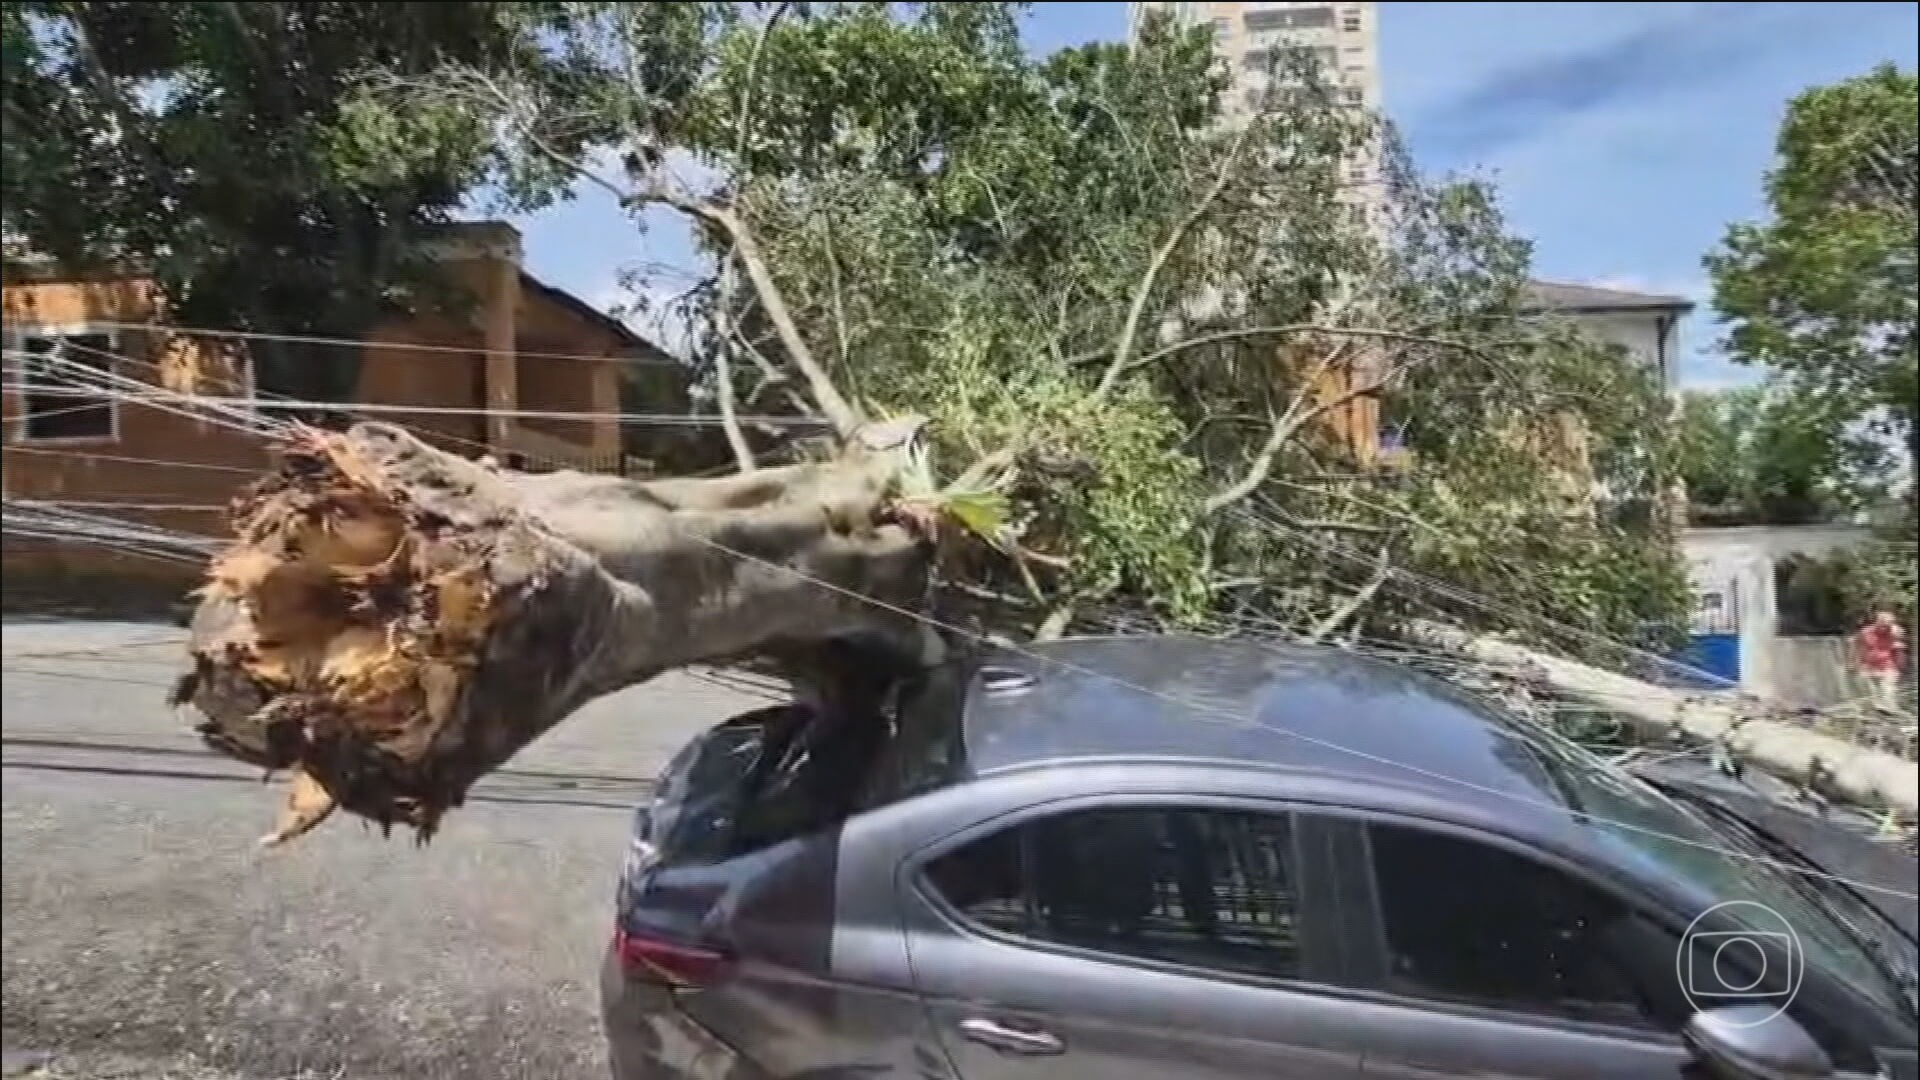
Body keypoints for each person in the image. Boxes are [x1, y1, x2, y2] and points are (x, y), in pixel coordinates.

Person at [1855, 609, 1909, 714]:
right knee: (1869, 689)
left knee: (1888, 688)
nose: (1884, 628)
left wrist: (1900, 664)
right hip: (1869, 665)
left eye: (1887, 626)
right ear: (1877, 622)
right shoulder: (1866, 632)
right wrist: (1855, 661)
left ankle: (1891, 710)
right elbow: (1858, 646)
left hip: (1888, 665)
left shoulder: (1895, 632)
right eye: (1882, 625)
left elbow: (1900, 649)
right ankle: (1877, 710)